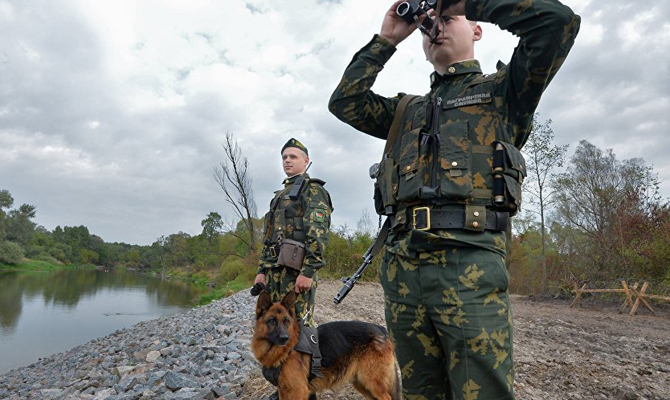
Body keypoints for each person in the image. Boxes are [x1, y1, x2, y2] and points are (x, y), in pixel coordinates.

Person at [328, 0, 579, 399]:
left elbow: (557, 23)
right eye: (431, 23)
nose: (437, 27)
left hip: (470, 268)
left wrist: (467, 2)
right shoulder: (406, 111)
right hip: (403, 272)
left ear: (477, 30)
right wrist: (387, 39)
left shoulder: (504, 92)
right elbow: (344, 102)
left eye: (450, 19)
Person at [255, 138, 333, 328]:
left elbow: (318, 233)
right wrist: (262, 271)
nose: (287, 160)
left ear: (306, 161)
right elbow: (269, 238)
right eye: (284, 157)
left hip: (296, 271)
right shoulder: (279, 196)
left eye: (293, 157)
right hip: (274, 272)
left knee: (298, 323)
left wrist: (308, 272)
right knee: (274, 322)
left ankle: (307, 358)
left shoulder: (313, 190)